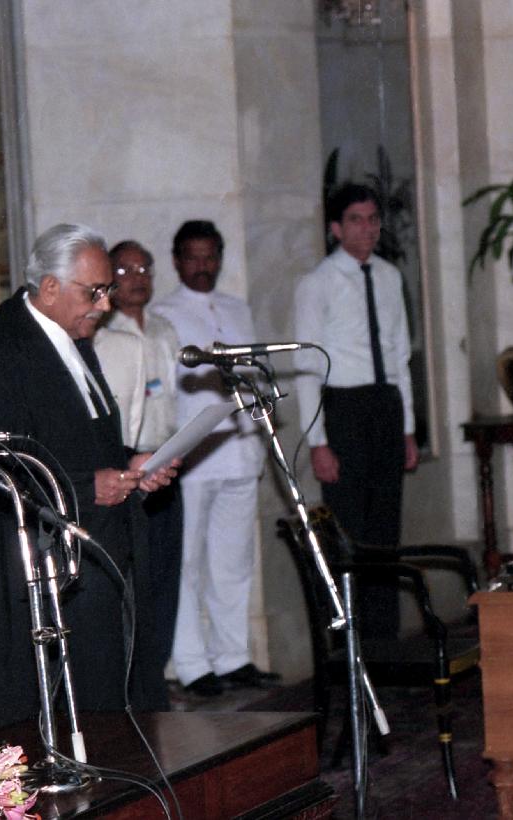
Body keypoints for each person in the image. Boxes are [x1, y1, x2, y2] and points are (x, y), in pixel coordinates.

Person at [0, 223, 176, 735]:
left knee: (112, 702)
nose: (104, 304)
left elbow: (77, 439)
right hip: (38, 566)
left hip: (91, 552)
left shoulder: (70, 337)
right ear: (50, 287)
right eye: (94, 292)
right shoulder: (1, 354)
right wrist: (85, 486)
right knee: (63, 716)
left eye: (107, 290)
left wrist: (132, 464)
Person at [154, 220, 276, 697]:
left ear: (220, 259)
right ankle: (191, 663)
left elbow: (256, 376)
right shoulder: (163, 315)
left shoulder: (237, 308)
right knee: (187, 561)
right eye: (193, 257)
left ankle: (233, 657)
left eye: (210, 256)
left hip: (240, 451)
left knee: (234, 561)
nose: (202, 266)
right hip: (193, 455)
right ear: (177, 261)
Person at [294, 184, 418, 640]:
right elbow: (307, 365)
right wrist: (318, 441)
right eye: (355, 220)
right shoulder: (318, 283)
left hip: (385, 404)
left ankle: (386, 640)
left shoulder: (389, 276)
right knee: (348, 529)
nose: (367, 228)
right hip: (344, 408)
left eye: (372, 219)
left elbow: (400, 355)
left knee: (385, 530)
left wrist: (407, 428)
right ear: (335, 228)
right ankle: (350, 642)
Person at [92, 238, 184, 709]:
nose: (137, 278)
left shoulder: (165, 329)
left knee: (166, 573)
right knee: (135, 578)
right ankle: (134, 682)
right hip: (127, 467)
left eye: (144, 269)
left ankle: (157, 671)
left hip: (165, 460)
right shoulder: (104, 335)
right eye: (125, 271)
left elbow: (171, 397)